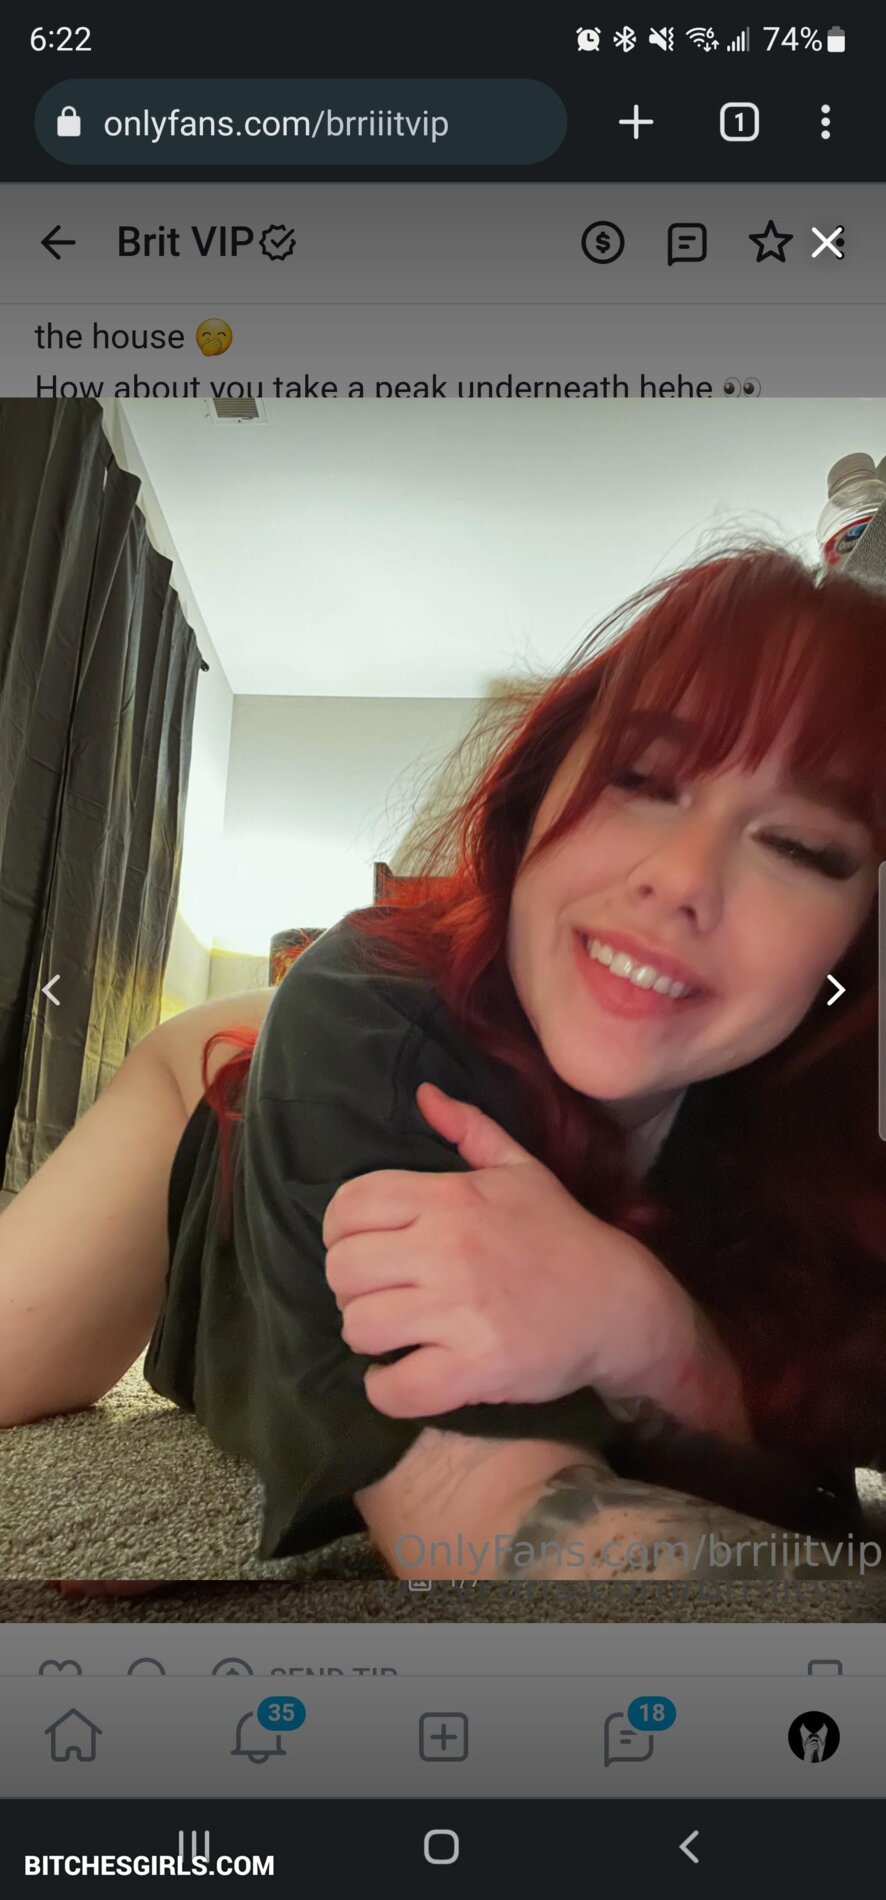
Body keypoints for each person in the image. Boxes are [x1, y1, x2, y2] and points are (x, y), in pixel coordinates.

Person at [3, 547, 885, 1589]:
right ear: (536, 792)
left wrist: (661, 1339)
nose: (683, 880)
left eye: (799, 847)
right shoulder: (374, 1029)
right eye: (640, 780)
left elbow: (805, 1467)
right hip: (213, 1101)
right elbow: (482, 1523)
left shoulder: (829, 1139)